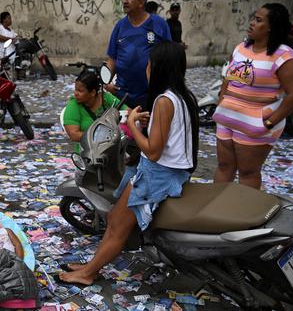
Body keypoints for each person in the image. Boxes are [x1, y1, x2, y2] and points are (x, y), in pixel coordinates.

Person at [59, 41, 199, 286]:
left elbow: (154, 152)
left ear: (158, 67)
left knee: (117, 227)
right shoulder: (182, 96)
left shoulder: (164, 101)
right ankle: (92, 265)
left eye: (148, 64)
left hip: (157, 173)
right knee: (113, 218)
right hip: (163, 170)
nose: (145, 68)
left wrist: (133, 124)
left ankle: (88, 274)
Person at [213, 3, 293, 189]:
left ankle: (245, 215)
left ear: (271, 26)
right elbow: (228, 77)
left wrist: (269, 123)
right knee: (224, 166)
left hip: (257, 123)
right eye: (253, 18)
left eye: (259, 20)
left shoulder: (284, 56)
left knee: (248, 172)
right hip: (227, 118)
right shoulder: (240, 48)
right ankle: (216, 209)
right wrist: (222, 99)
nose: (252, 23)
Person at [105, 0, 171, 109]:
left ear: (141, 3)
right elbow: (112, 59)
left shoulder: (159, 24)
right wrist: (106, 81)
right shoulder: (120, 26)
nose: (124, 1)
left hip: (150, 95)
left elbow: (170, 57)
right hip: (122, 95)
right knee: (122, 128)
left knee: (148, 128)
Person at [63, 70, 126, 153]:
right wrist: (101, 137)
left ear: (92, 92)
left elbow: (127, 111)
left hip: (110, 152)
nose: (75, 94)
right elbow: (73, 135)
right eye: (75, 90)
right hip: (86, 154)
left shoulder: (106, 98)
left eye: (80, 91)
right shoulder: (73, 105)